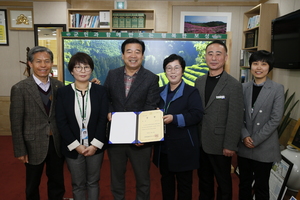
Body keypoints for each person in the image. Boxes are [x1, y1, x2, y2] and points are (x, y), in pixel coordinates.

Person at [104, 38, 160, 200]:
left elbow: (150, 106)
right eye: (129, 51)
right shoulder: (112, 74)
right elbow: (106, 99)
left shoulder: (151, 78)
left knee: (143, 179)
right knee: (116, 178)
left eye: (137, 51)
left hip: (140, 140)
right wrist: (109, 112)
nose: (133, 55)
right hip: (116, 137)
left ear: (143, 55)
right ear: (122, 55)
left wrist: (142, 135)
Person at [10, 46, 65, 200]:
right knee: (32, 184)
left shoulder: (58, 86)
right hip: (32, 144)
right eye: (38, 61)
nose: (43, 65)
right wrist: (20, 150)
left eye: (47, 61)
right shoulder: (20, 88)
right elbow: (16, 122)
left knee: (57, 181)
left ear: (51, 63)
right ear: (30, 63)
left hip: (56, 143)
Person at [194, 40, 244, 200]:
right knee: (204, 180)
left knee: (223, 183)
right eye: (210, 54)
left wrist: (230, 145)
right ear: (205, 57)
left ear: (226, 57)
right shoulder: (199, 81)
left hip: (221, 144)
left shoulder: (233, 85)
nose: (214, 58)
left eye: (218, 54)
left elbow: (235, 117)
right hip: (201, 142)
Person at [55, 52, 108, 200]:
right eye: (78, 67)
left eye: (86, 67)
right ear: (71, 71)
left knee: (93, 182)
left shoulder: (100, 91)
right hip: (73, 147)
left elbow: (102, 120)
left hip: (95, 146)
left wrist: (95, 145)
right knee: (77, 184)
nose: (83, 71)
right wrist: (76, 145)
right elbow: (61, 121)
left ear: (91, 70)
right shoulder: (63, 92)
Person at [153, 54, 203, 200]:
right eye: (169, 68)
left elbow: (197, 114)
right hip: (164, 147)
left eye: (176, 68)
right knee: (166, 183)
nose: (172, 71)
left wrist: (175, 119)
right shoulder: (159, 91)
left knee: (184, 185)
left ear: (182, 70)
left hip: (184, 147)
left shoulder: (191, 92)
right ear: (165, 71)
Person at [238, 50, 284, 200]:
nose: (259, 67)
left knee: (262, 186)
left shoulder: (277, 88)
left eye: (263, 64)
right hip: (245, 146)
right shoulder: (243, 88)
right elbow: (238, 115)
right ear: (250, 66)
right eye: (255, 63)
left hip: (264, 147)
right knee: (244, 184)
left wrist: (255, 139)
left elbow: (275, 119)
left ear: (269, 67)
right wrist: (245, 136)